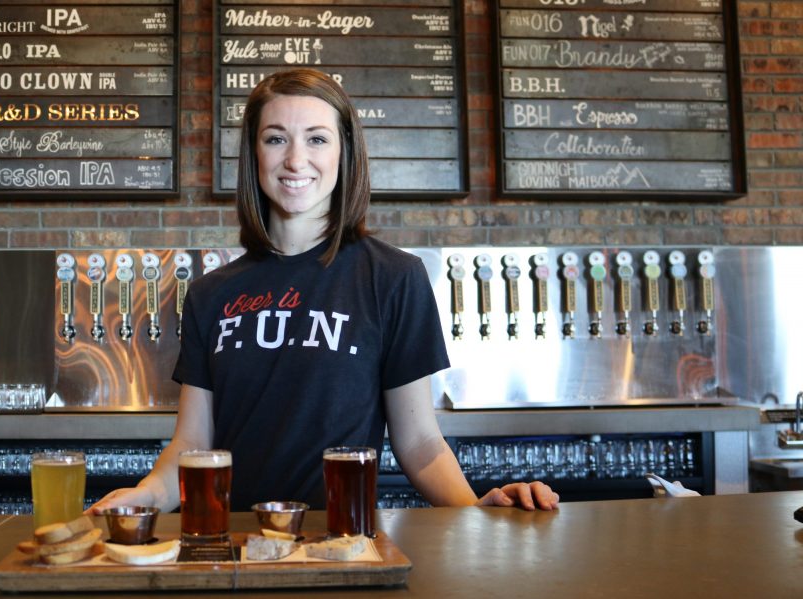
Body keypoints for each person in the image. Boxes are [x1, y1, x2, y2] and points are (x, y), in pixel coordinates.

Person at [90, 68, 558, 515]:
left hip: (344, 541)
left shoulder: (394, 278)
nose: (296, 160)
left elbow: (419, 442)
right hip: (236, 545)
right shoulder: (211, 294)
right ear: (255, 154)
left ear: (343, 152)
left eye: (317, 138)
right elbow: (192, 445)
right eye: (276, 139)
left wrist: (475, 509)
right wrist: (146, 495)